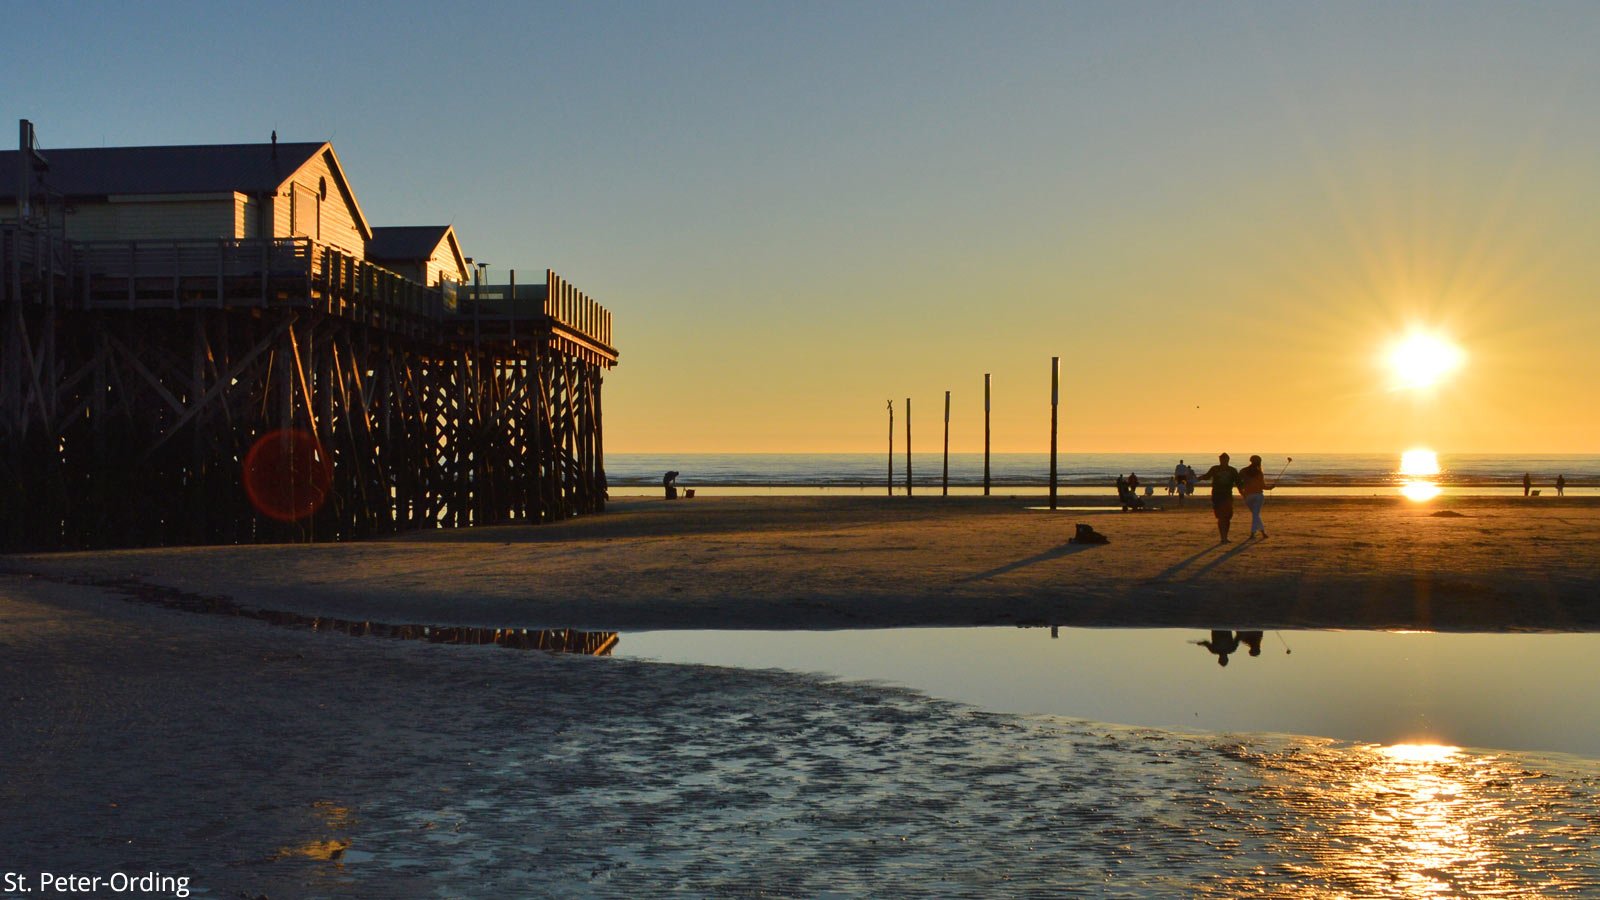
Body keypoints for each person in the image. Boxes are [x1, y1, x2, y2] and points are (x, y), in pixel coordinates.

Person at [1196, 452, 1242, 543]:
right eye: (1222, 459)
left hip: (1227, 495)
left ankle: (1225, 536)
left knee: (1228, 517)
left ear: (1228, 460)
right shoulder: (1215, 469)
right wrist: (1198, 478)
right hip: (1217, 495)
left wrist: (1244, 491)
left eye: (1225, 459)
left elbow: (1239, 482)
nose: (1223, 461)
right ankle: (1223, 537)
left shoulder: (1232, 470)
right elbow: (1207, 476)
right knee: (1221, 517)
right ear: (1220, 460)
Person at [1238, 454, 1275, 539]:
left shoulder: (1243, 471)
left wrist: (1242, 493)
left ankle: (1262, 533)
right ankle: (1253, 533)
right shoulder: (1259, 472)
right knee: (1256, 514)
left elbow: (1239, 483)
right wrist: (1270, 487)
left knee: (1255, 514)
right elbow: (1263, 486)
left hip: (1248, 496)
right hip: (1258, 495)